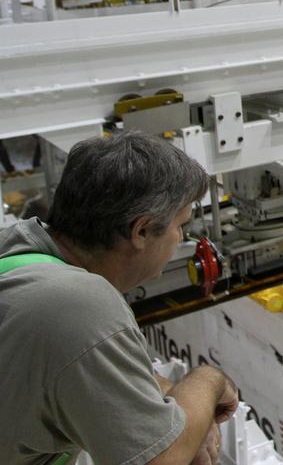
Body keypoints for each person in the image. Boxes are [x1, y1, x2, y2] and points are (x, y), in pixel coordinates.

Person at [0, 131, 239, 465]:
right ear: (140, 231)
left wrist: (168, 397)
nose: (182, 238)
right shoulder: (78, 304)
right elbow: (160, 461)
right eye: (181, 225)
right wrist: (209, 381)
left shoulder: (17, 251)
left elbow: (79, 365)